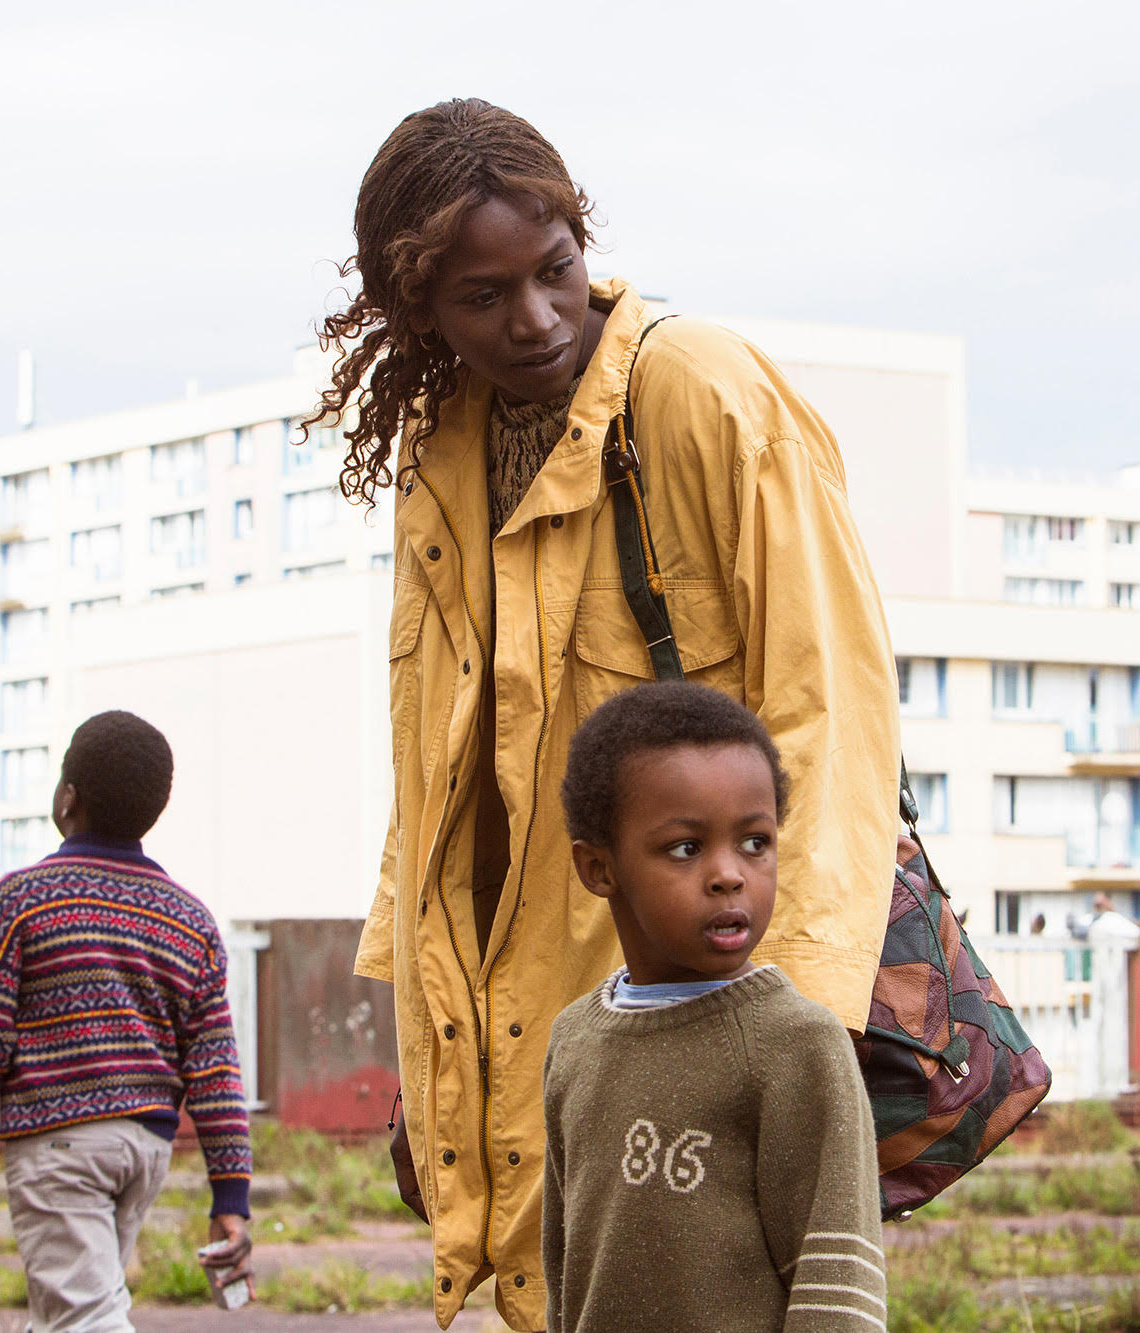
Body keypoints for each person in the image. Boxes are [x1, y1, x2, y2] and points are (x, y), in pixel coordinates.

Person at [312, 99, 900, 1330]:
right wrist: (436, 1078)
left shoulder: (700, 390)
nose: (532, 318)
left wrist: (789, 1025)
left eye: (555, 270)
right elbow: (436, 790)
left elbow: (828, 704)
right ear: (416, 312)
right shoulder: (440, 454)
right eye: (483, 296)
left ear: (586, 240)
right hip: (557, 1030)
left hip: (711, 1003)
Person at [544, 681, 884, 1332]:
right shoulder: (575, 1038)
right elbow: (565, 1270)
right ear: (598, 869)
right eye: (685, 847)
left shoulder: (797, 1044)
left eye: (755, 842)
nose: (730, 873)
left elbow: (838, 1283)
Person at [0, 711, 253, 1330]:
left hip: (60, 1145)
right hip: (145, 1151)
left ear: (66, 798)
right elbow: (216, 1071)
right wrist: (230, 1196)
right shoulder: (189, 920)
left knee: (82, 1318)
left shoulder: (22, 902)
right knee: (71, 1310)